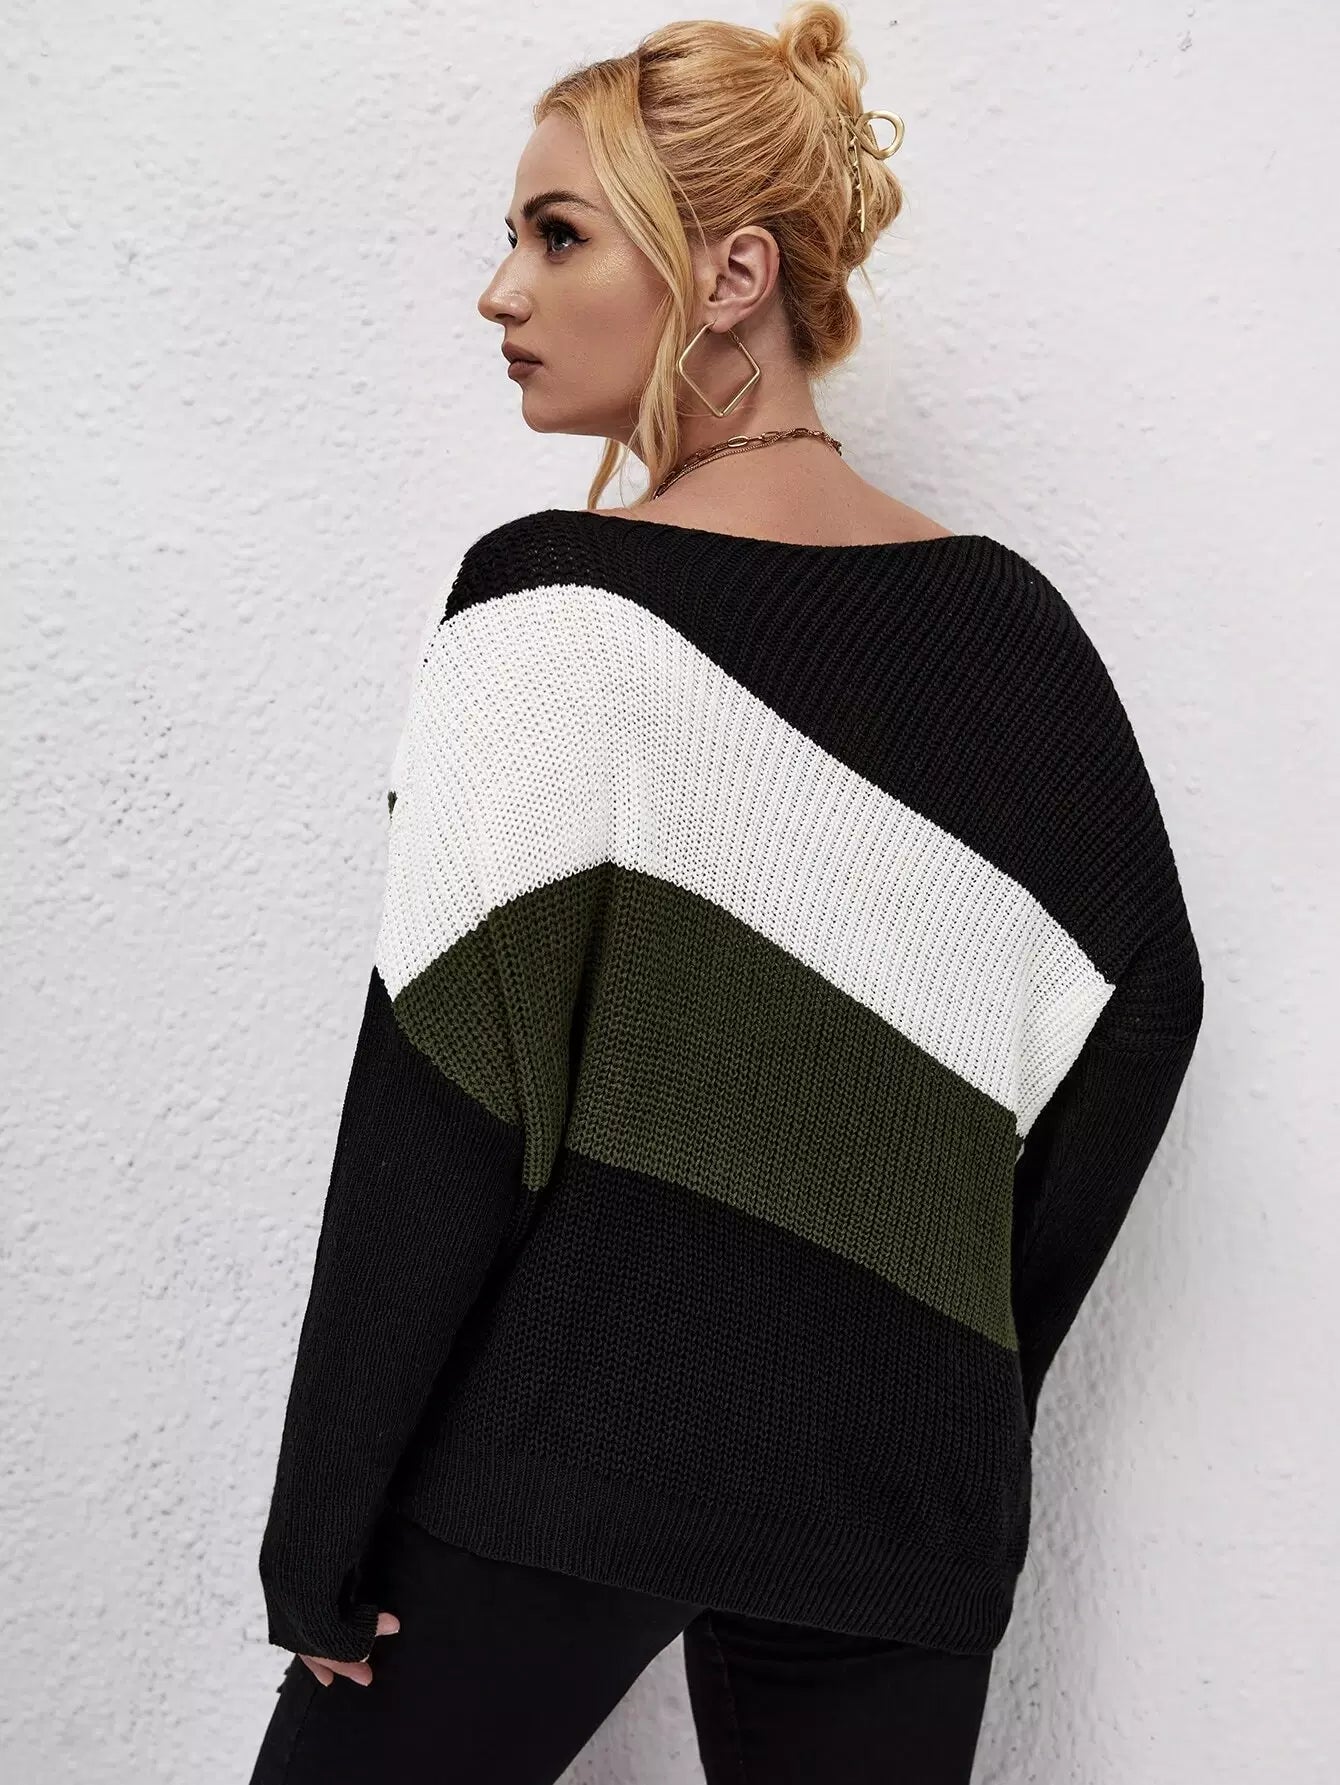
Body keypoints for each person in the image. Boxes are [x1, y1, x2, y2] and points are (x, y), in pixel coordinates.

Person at [248, 6, 1205, 1782]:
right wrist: (955, 1361)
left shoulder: (549, 603)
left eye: (559, 234)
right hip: (897, 1491)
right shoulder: (1015, 627)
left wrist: (321, 1525)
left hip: (568, 1452)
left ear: (732, 273)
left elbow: (443, 1096)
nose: (501, 291)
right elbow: (1150, 1005)